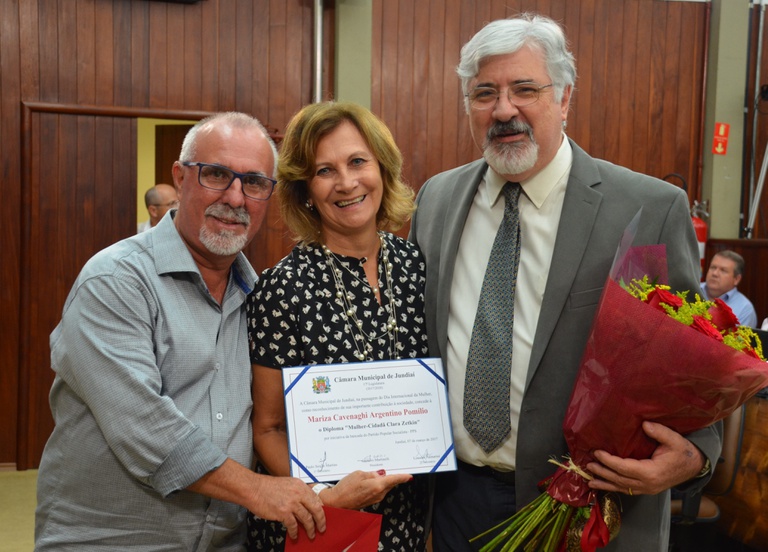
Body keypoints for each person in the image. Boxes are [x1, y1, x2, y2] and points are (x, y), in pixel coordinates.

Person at [408, 14, 722, 552]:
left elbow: (695, 362)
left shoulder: (647, 207)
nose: (503, 109)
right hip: (455, 500)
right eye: (484, 93)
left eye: (524, 89)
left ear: (564, 98)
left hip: (590, 503)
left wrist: (696, 453)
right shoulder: (436, 198)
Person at [35, 112, 326, 551]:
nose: (235, 198)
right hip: (114, 541)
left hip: (226, 540)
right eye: (216, 175)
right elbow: (146, 430)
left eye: (254, 183)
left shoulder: (261, 298)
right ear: (180, 176)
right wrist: (259, 491)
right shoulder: (116, 281)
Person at [245, 101, 430, 551]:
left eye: (357, 162)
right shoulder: (280, 288)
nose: (346, 183)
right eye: (325, 170)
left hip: (411, 516)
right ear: (306, 189)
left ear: (381, 169)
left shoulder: (417, 264)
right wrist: (323, 498)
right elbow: (268, 428)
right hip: (324, 523)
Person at [700, 250, 757, 327]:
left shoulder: (745, 309)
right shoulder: (691, 289)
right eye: (713, 267)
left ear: (736, 279)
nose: (715, 273)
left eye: (723, 270)